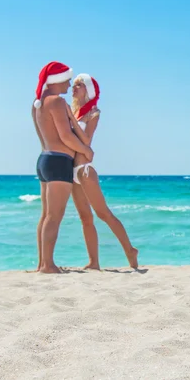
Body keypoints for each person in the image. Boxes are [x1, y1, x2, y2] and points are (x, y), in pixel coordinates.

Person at [66, 73, 139, 269]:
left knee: (103, 214)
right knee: (85, 218)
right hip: (71, 171)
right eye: (74, 84)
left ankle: (130, 250)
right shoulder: (73, 113)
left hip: (84, 170)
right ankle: (93, 262)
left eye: (79, 85)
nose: (74, 87)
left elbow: (86, 141)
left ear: (87, 90)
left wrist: (72, 122)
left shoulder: (93, 113)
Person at [31, 62, 94, 274]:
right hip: (58, 162)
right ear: (57, 80)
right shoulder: (56, 101)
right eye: (67, 80)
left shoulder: (38, 103)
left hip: (44, 160)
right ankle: (48, 265)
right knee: (54, 216)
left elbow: (43, 137)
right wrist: (86, 150)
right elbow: (66, 137)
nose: (69, 84)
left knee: (46, 215)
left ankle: (42, 263)